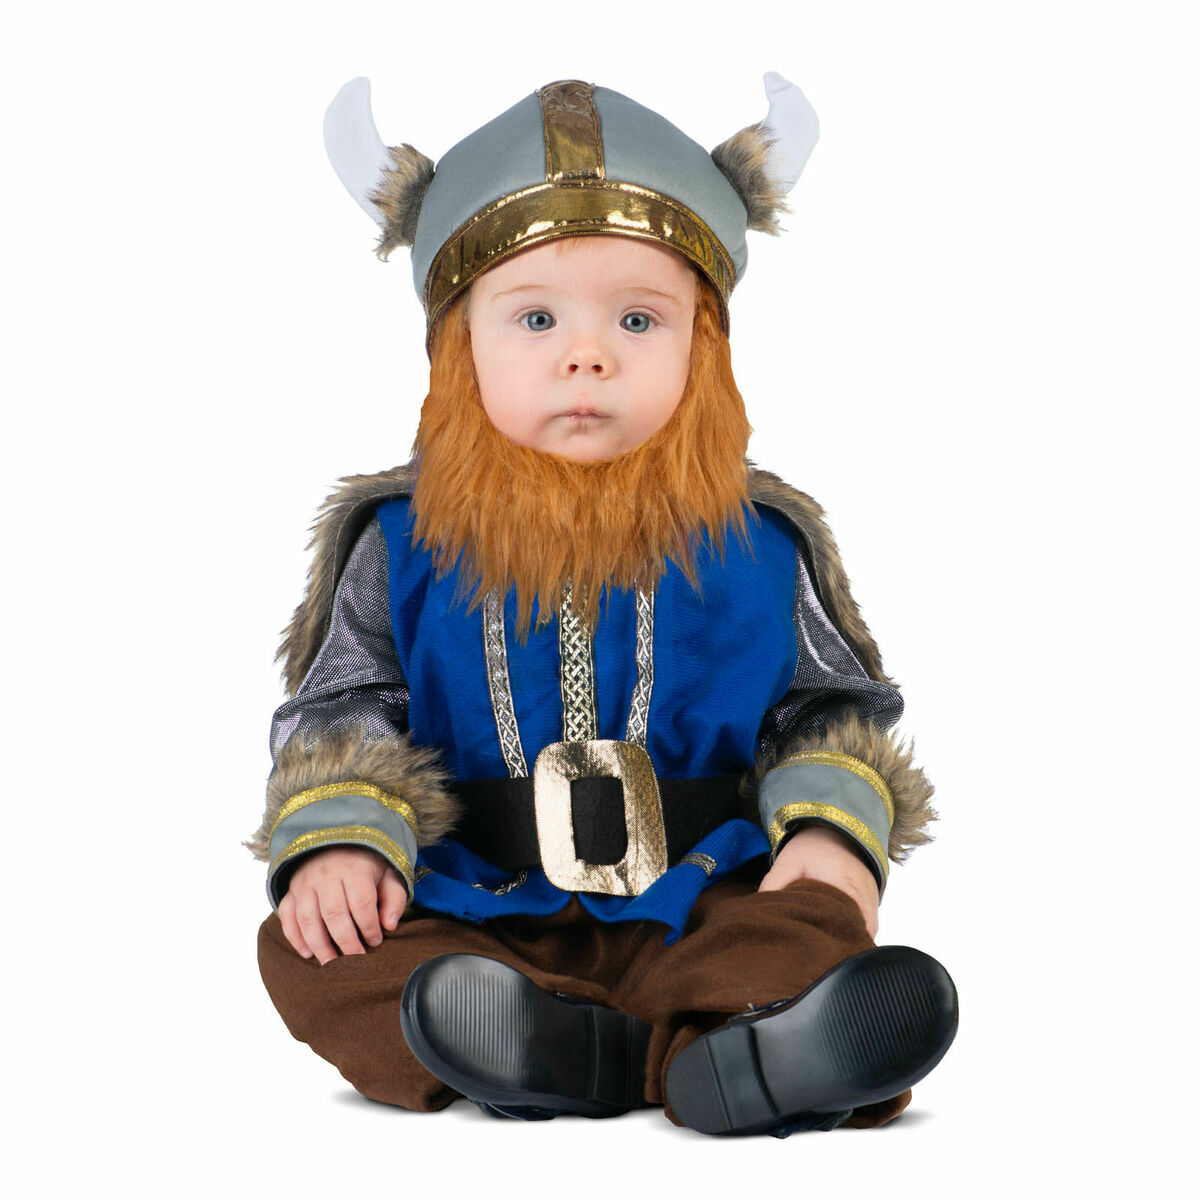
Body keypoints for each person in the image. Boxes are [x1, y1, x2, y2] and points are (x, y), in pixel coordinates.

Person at [248, 75, 958, 1136]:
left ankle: (744, 1033)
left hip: (706, 894)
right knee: (319, 948)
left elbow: (826, 713)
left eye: (638, 318)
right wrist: (340, 847)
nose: (588, 355)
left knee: (800, 922)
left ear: (702, 346)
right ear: (458, 349)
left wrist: (833, 838)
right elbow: (345, 710)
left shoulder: (762, 542)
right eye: (535, 318)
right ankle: (598, 1042)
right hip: (475, 904)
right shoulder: (397, 544)